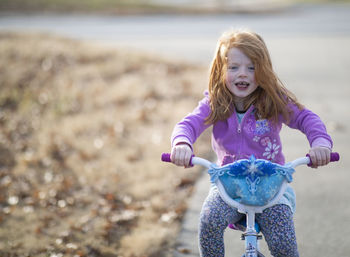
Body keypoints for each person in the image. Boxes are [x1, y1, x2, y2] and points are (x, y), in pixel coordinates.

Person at [169, 29, 333, 257]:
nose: (242, 74)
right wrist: (182, 144)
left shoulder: (274, 99)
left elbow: (306, 118)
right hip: (229, 187)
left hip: (271, 189)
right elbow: (189, 124)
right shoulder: (216, 102)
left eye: (251, 68)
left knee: (283, 243)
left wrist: (320, 144)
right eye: (234, 67)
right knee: (208, 222)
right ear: (221, 70)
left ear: (263, 71)